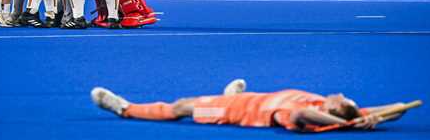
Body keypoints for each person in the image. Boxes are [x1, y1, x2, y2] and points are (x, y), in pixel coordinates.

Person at [91, 79, 407, 133]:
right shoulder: (336, 109)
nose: (340, 94)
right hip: (250, 97)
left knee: (182, 107)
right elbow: (402, 106)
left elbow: (301, 116)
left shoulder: (311, 115)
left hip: (235, 112)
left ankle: (125, 108)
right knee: (238, 94)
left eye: (343, 101)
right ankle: (228, 93)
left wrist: (342, 124)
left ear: (337, 112)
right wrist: (370, 118)